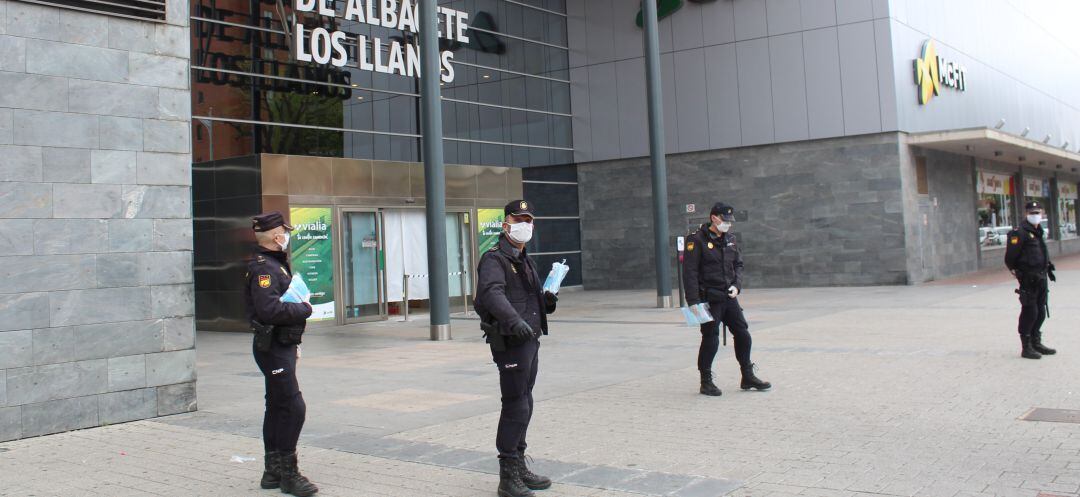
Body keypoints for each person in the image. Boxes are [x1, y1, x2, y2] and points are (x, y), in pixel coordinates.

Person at [474, 200, 559, 497]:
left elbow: (528, 296)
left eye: (528, 219)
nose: (524, 224)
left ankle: (519, 463)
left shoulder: (525, 259)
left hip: (530, 340)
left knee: (525, 400)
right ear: (505, 223)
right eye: (518, 218)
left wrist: (546, 302)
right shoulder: (494, 260)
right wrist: (513, 320)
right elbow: (490, 294)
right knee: (515, 403)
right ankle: (507, 475)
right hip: (511, 342)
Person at [245, 211, 318, 496]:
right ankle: (289, 474)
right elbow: (269, 310)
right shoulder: (265, 268)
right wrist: (304, 309)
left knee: (276, 405)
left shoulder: (274, 264)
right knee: (293, 407)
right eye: (284, 232)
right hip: (273, 347)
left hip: (280, 345)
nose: (287, 236)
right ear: (277, 237)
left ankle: (272, 471)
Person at [682, 202, 771, 396]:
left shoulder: (730, 239)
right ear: (714, 218)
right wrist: (693, 302)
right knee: (710, 338)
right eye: (724, 220)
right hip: (709, 298)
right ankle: (706, 381)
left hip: (729, 297)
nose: (728, 225)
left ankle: (747, 375)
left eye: (730, 222)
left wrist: (736, 286)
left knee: (742, 333)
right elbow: (689, 273)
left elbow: (738, 264)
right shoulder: (696, 240)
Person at [1005, 200, 1058, 359]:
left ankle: (1036, 342)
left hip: (1041, 277)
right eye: (1032, 213)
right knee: (1030, 311)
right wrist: (1019, 273)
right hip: (1028, 278)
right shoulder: (1019, 232)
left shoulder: (1038, 231)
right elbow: (1010, 258)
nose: (1035, 215)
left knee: (1041, 311)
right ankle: (1026, 347)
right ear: (1026, 214)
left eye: (1038, 212)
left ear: (1042, 214)